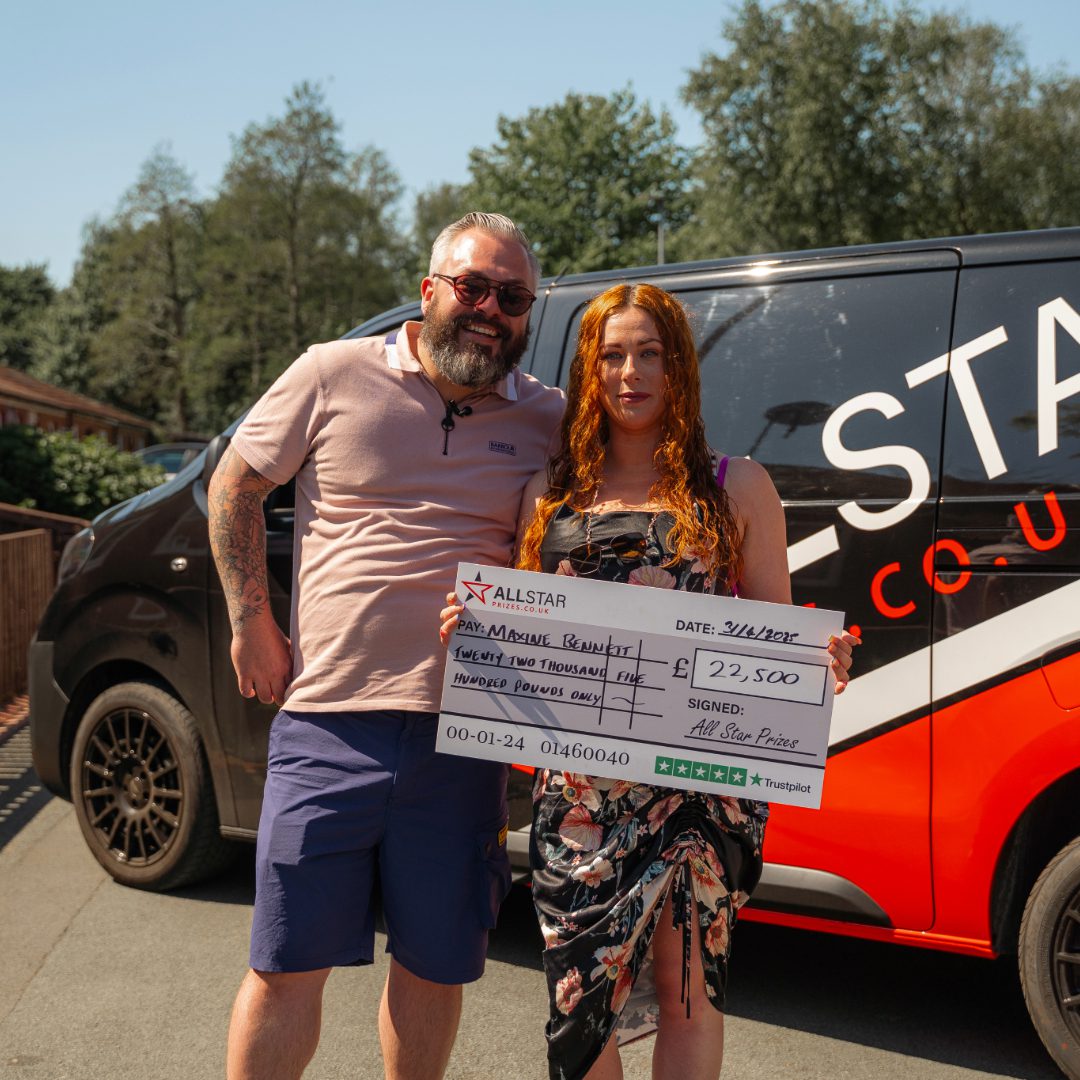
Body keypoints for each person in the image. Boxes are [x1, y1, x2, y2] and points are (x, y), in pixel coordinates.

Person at [439, 283, 858, 1079]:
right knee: (579, 1005)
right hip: (580, 798)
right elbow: (526, 636)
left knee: (690, 993)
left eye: (649, 353)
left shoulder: (738, 486)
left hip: (701, 795)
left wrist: (818, 661)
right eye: (612, 355)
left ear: (678, 368)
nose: (630, 372)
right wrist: (475, 634)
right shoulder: (548, 495)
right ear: (589, 370)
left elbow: (777, 633)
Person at [208, 212, 565, 1080]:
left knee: (435, 967)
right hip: (328, 722)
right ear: (429, 289)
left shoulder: (550, 416)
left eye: (512, 297)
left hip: (465, 737)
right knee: (286, 963)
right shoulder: (332, 371)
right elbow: (236, 486)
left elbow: (630, 514)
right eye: (472, 287)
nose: (489, 310)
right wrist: (251, 620)